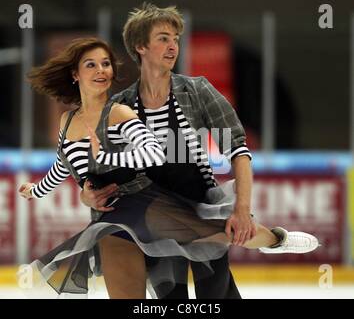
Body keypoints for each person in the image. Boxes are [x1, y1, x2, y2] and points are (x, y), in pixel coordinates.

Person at [80, 3, 319, 299]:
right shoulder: (120, 106)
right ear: (141, 46)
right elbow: (101, 171)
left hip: (200, 203)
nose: (173, 46)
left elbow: (239, 151)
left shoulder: (197, 90)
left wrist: (242, 210)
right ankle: (272, 239)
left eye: (176, 39)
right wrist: (87, 194)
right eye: (164, 38)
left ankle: (274, 238)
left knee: (215, 295)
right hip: (153, 213)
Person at [18, 37, 240, 299]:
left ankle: (276, 240)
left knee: (223, 232)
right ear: (75, 74)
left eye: (105, 64)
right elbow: (62, 165)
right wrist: (36, 191)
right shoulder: (66, 120)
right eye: (91, 65)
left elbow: (153, 154)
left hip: (145, 205)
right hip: (110, 220)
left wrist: (107, 158)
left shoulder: (119, 113)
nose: (101, 70)